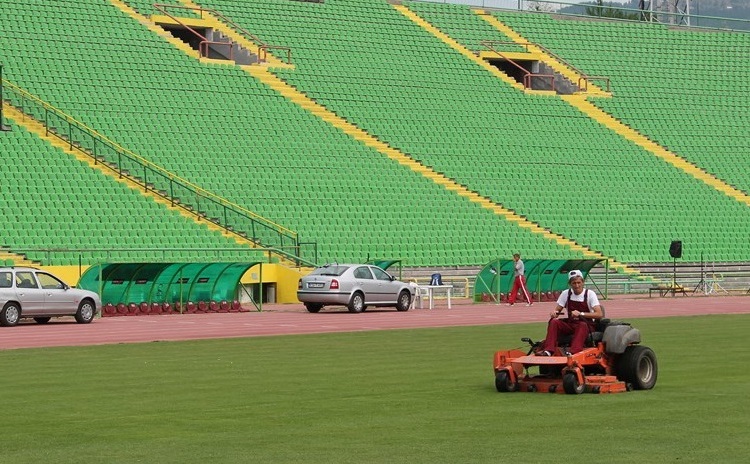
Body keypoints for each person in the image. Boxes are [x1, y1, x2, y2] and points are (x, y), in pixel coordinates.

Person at [536, 269, 603, 356]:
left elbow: (599, 314)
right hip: (571, 324)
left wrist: (581, 314)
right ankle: (548, 350)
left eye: (579, 283)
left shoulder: (590, 294)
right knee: (554, 322)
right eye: (574, 283)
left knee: (582, 325)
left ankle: (573, 352)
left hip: (587, 325)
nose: (577, 285)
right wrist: (554, 313)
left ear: (583, 282)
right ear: (570, 284)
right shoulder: (566, 293)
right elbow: (557, 310)